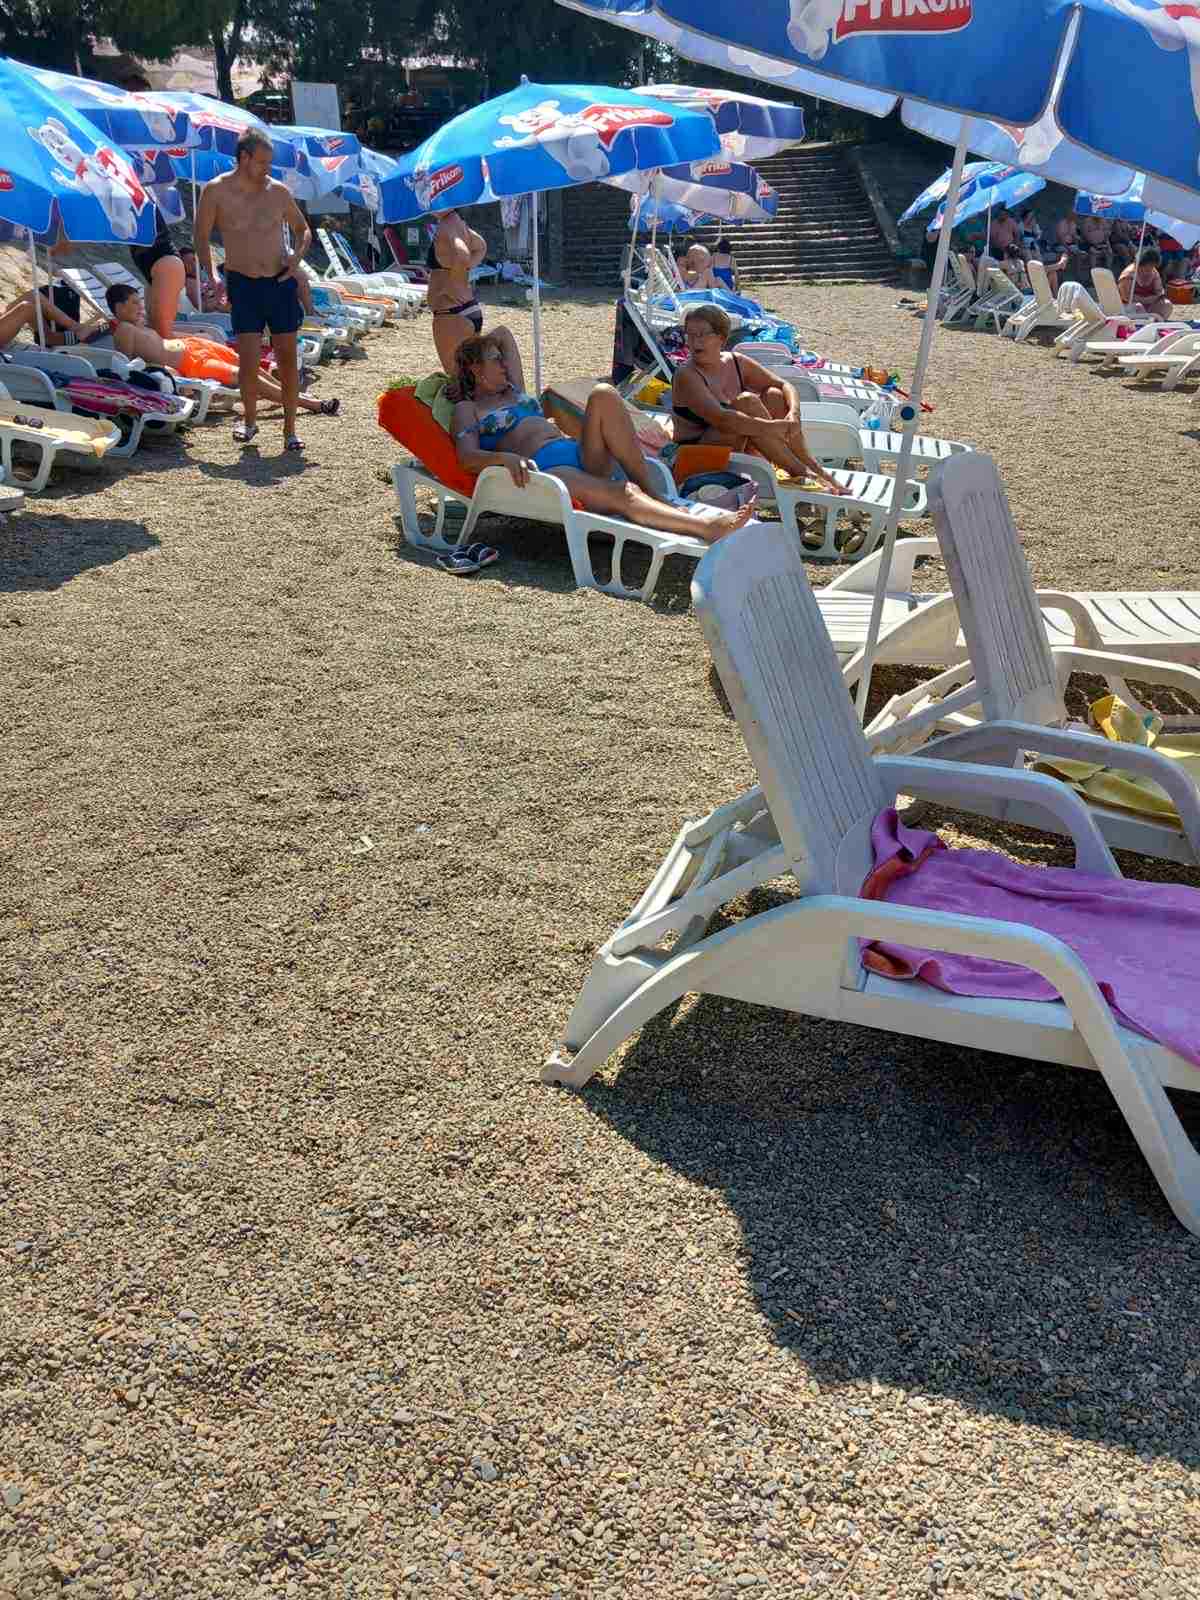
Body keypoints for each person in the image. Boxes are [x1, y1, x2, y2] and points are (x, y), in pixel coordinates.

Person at [451, 330, 755, 544]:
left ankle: (656, 494)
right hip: (548, 470)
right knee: (624, 493)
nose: (505, 364)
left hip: (577, 451)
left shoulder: (514, 389)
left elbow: (504, 334)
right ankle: (706, 527)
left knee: (604, 393)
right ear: (476, 369)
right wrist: (504, 458)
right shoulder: (469, 409)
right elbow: (467, 458)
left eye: (502, 358)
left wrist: (484, 347)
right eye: (495, 359)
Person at [194, 130, 311, 451]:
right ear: (243, 158)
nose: (267, 169)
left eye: (269, 163)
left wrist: (297, 258)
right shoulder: (216, 190)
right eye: (262, 162)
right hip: (242, 283)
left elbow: (303, 230)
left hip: (279, 281)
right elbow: (200, 236)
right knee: (248, 360)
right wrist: (212, 275)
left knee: (287, 358)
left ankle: (290, 430)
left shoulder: (278, 192)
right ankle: (249, 422)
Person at [670, 303, 847, 492]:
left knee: (774, 394)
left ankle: (814, 468)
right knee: (747, 401)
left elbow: (785, 385)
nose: (694, 342)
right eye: (690, 334)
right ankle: (801, 472)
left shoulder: (735, 361)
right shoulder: (686, 375)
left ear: (721, 337)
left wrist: (794, 415)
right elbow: (723, 420)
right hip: (695, 458)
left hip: (735, 450)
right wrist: (773, 427)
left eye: (702, 334)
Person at [106, 283, 339, 425]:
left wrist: (197, 336)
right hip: (191, 363)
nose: (140, 307)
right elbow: (126, 367)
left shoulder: (137, 325)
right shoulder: (124, 329)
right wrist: (164, 371)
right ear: (119, 307)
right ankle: (311, 404)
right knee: (248, 376)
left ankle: (296, 395)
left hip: (194, 346)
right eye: (135, 303)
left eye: (140, 302)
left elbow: (161, 341)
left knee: (250, 365)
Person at [427, 208, 488, 376]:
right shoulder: (460, 223)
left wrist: (453, 280)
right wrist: (464, 272)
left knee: (456, 377)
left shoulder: (446, 225)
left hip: (451, 310)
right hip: (468, 307)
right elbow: (481, 246)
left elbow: (462, 255)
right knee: (472, 374)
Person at [129, 207, 186, 339]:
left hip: (165, 262)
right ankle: (204, 339)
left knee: (163, 331)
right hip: (151, 263)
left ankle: (205, 340)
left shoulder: (136, 197)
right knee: (155, 328)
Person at [1117, 248, 1173, 317]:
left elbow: (1159, 293)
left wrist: (1159, 296)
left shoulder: (1154, 272)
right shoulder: (1128, 275)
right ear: (1140, 263)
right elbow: (1126, 297)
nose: (1151, 269)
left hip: (1149, 306)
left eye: (1153, 266)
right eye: (1148, 265)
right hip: (1130, 308)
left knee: (1167, 305)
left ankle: (1155, 321)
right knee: (1139, 307)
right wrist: (1146, 300)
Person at [178, 245, 225, 312]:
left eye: (194, 260)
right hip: (214, 313)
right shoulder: (190, 284)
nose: (193, 264)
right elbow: (202, 308)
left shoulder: (200, 278)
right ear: (183, 267)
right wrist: (218, 300)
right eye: (188, 263)